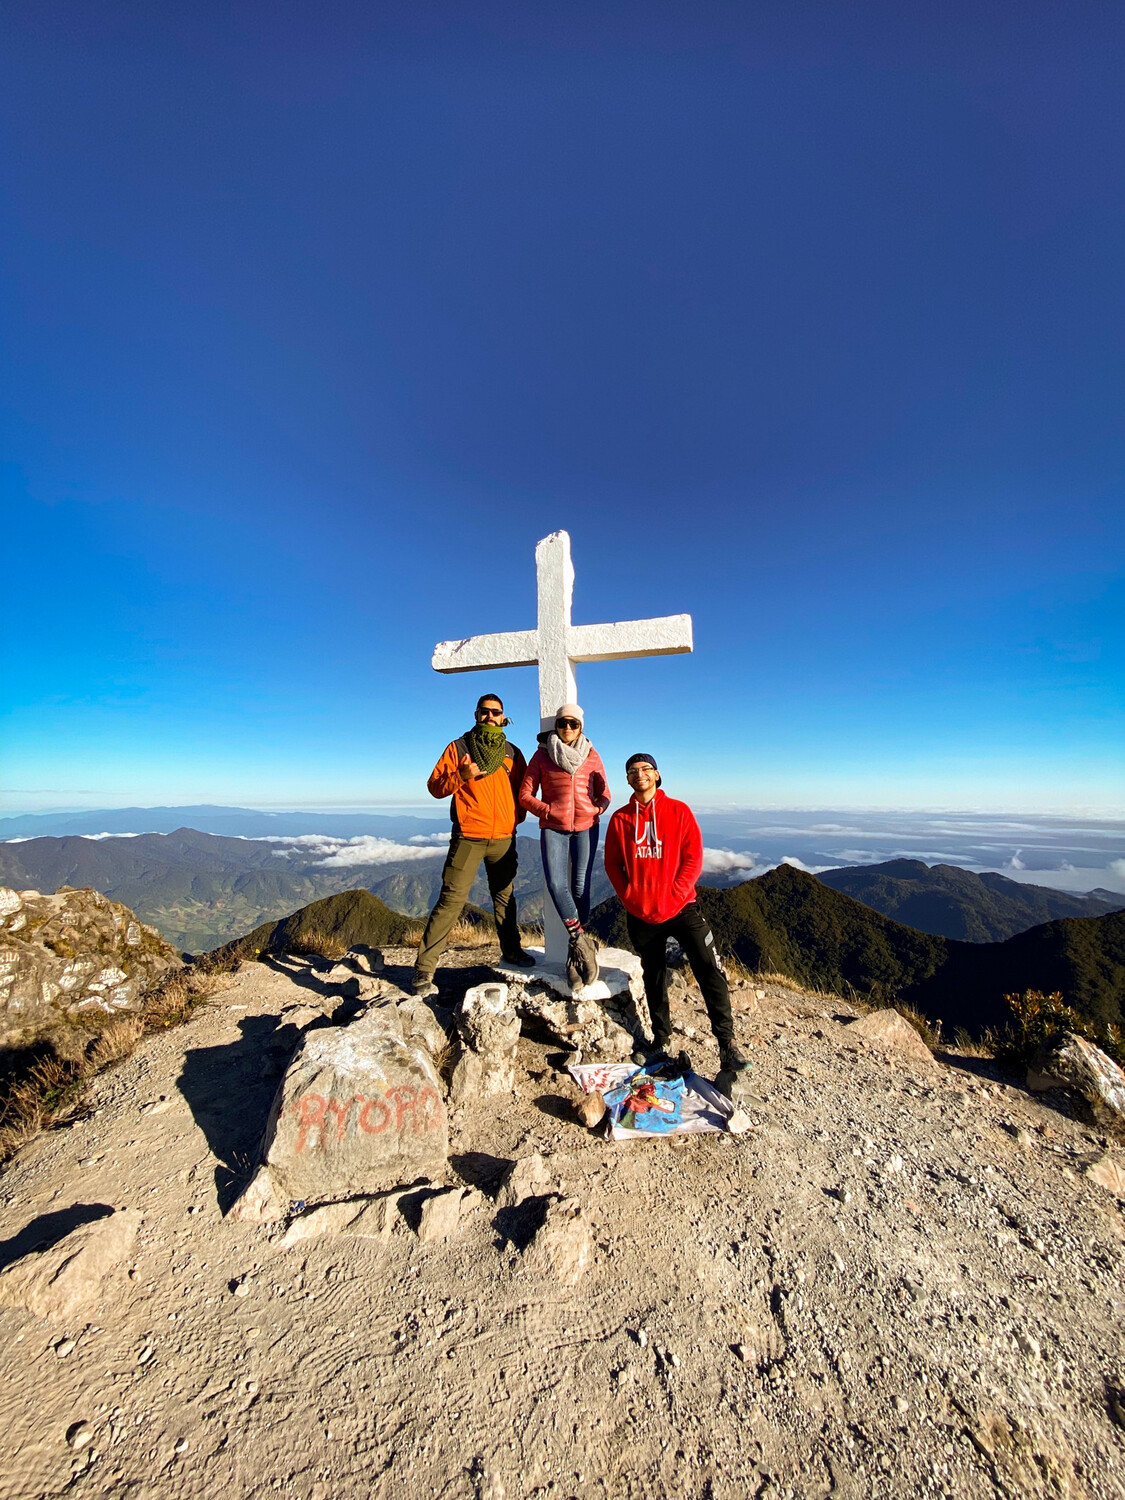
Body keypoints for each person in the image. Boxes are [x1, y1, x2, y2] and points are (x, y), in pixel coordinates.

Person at [603, 752, 750, 1075]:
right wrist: (630, 897)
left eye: (645, 769)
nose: (638, 774)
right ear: (627, 780)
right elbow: (613, 862)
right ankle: (660, 1040)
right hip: (641, 911)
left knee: (709, 969)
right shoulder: (620, 819)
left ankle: (727, 1045)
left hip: (683, 907)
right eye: (632, 771)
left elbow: (693, 858)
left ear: (657, 775)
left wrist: (674, 895)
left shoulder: (678, 811)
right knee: (653, 977)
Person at [412, 692, 534, 997]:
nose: (490, 717)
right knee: (450, 902)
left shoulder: (513, 753)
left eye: (495, 712)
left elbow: (524, 789)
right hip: (468, 836)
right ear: (475, 714)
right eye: (484, 712)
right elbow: (435, 787)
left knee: (505, 898)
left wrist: (513, 819)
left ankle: (512, 951)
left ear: (504, 717)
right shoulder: (459, 747)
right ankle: (424, 970)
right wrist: (461, 776)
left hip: (504, 838)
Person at [518, 702, 611, 989]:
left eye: (573, 724)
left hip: (586, 828)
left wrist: (595, 811)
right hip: (553, 828)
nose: (568, 728)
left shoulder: (591, 754)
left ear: (581, 727)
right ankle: (582, 944)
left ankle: (575, 954)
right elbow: (524, 794)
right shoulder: (543, 755)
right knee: (557, 884)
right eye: (562, 723)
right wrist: (547, 811)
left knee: (581, 885)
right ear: (555, 727)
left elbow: (604, 793)